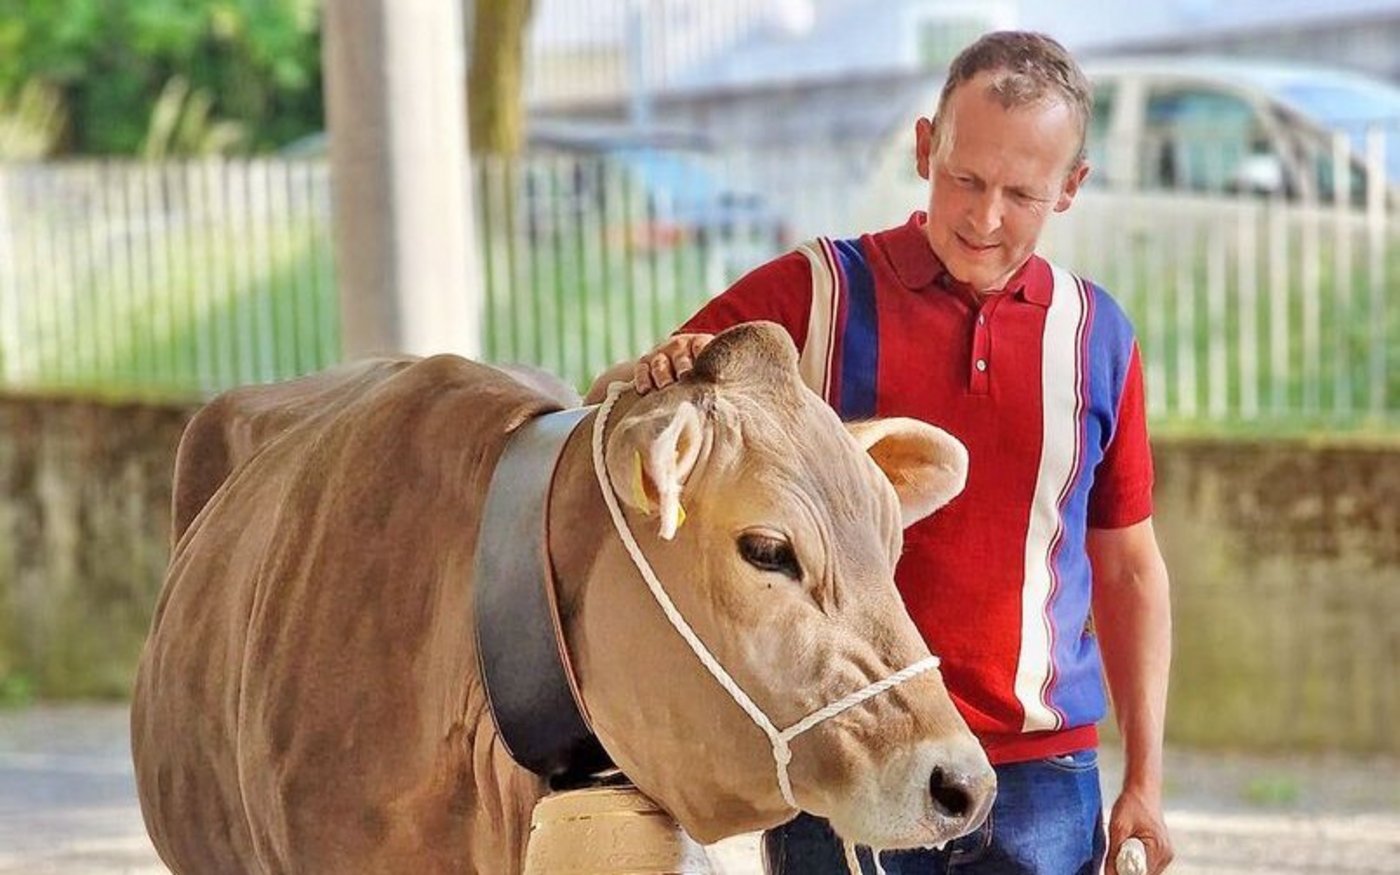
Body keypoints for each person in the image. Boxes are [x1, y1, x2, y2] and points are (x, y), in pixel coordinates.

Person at [588, 31, 1174, 875]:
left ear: (1071, 188)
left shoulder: (1096, 337)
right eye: (965, 179)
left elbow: (1129, 571)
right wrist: (662, 373)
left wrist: (1146, 778)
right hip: (850, 757)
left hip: (1044, 779)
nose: (985, 216)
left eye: (1022, 193)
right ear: (924, 145)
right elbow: (629, 413)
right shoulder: (814, 295)